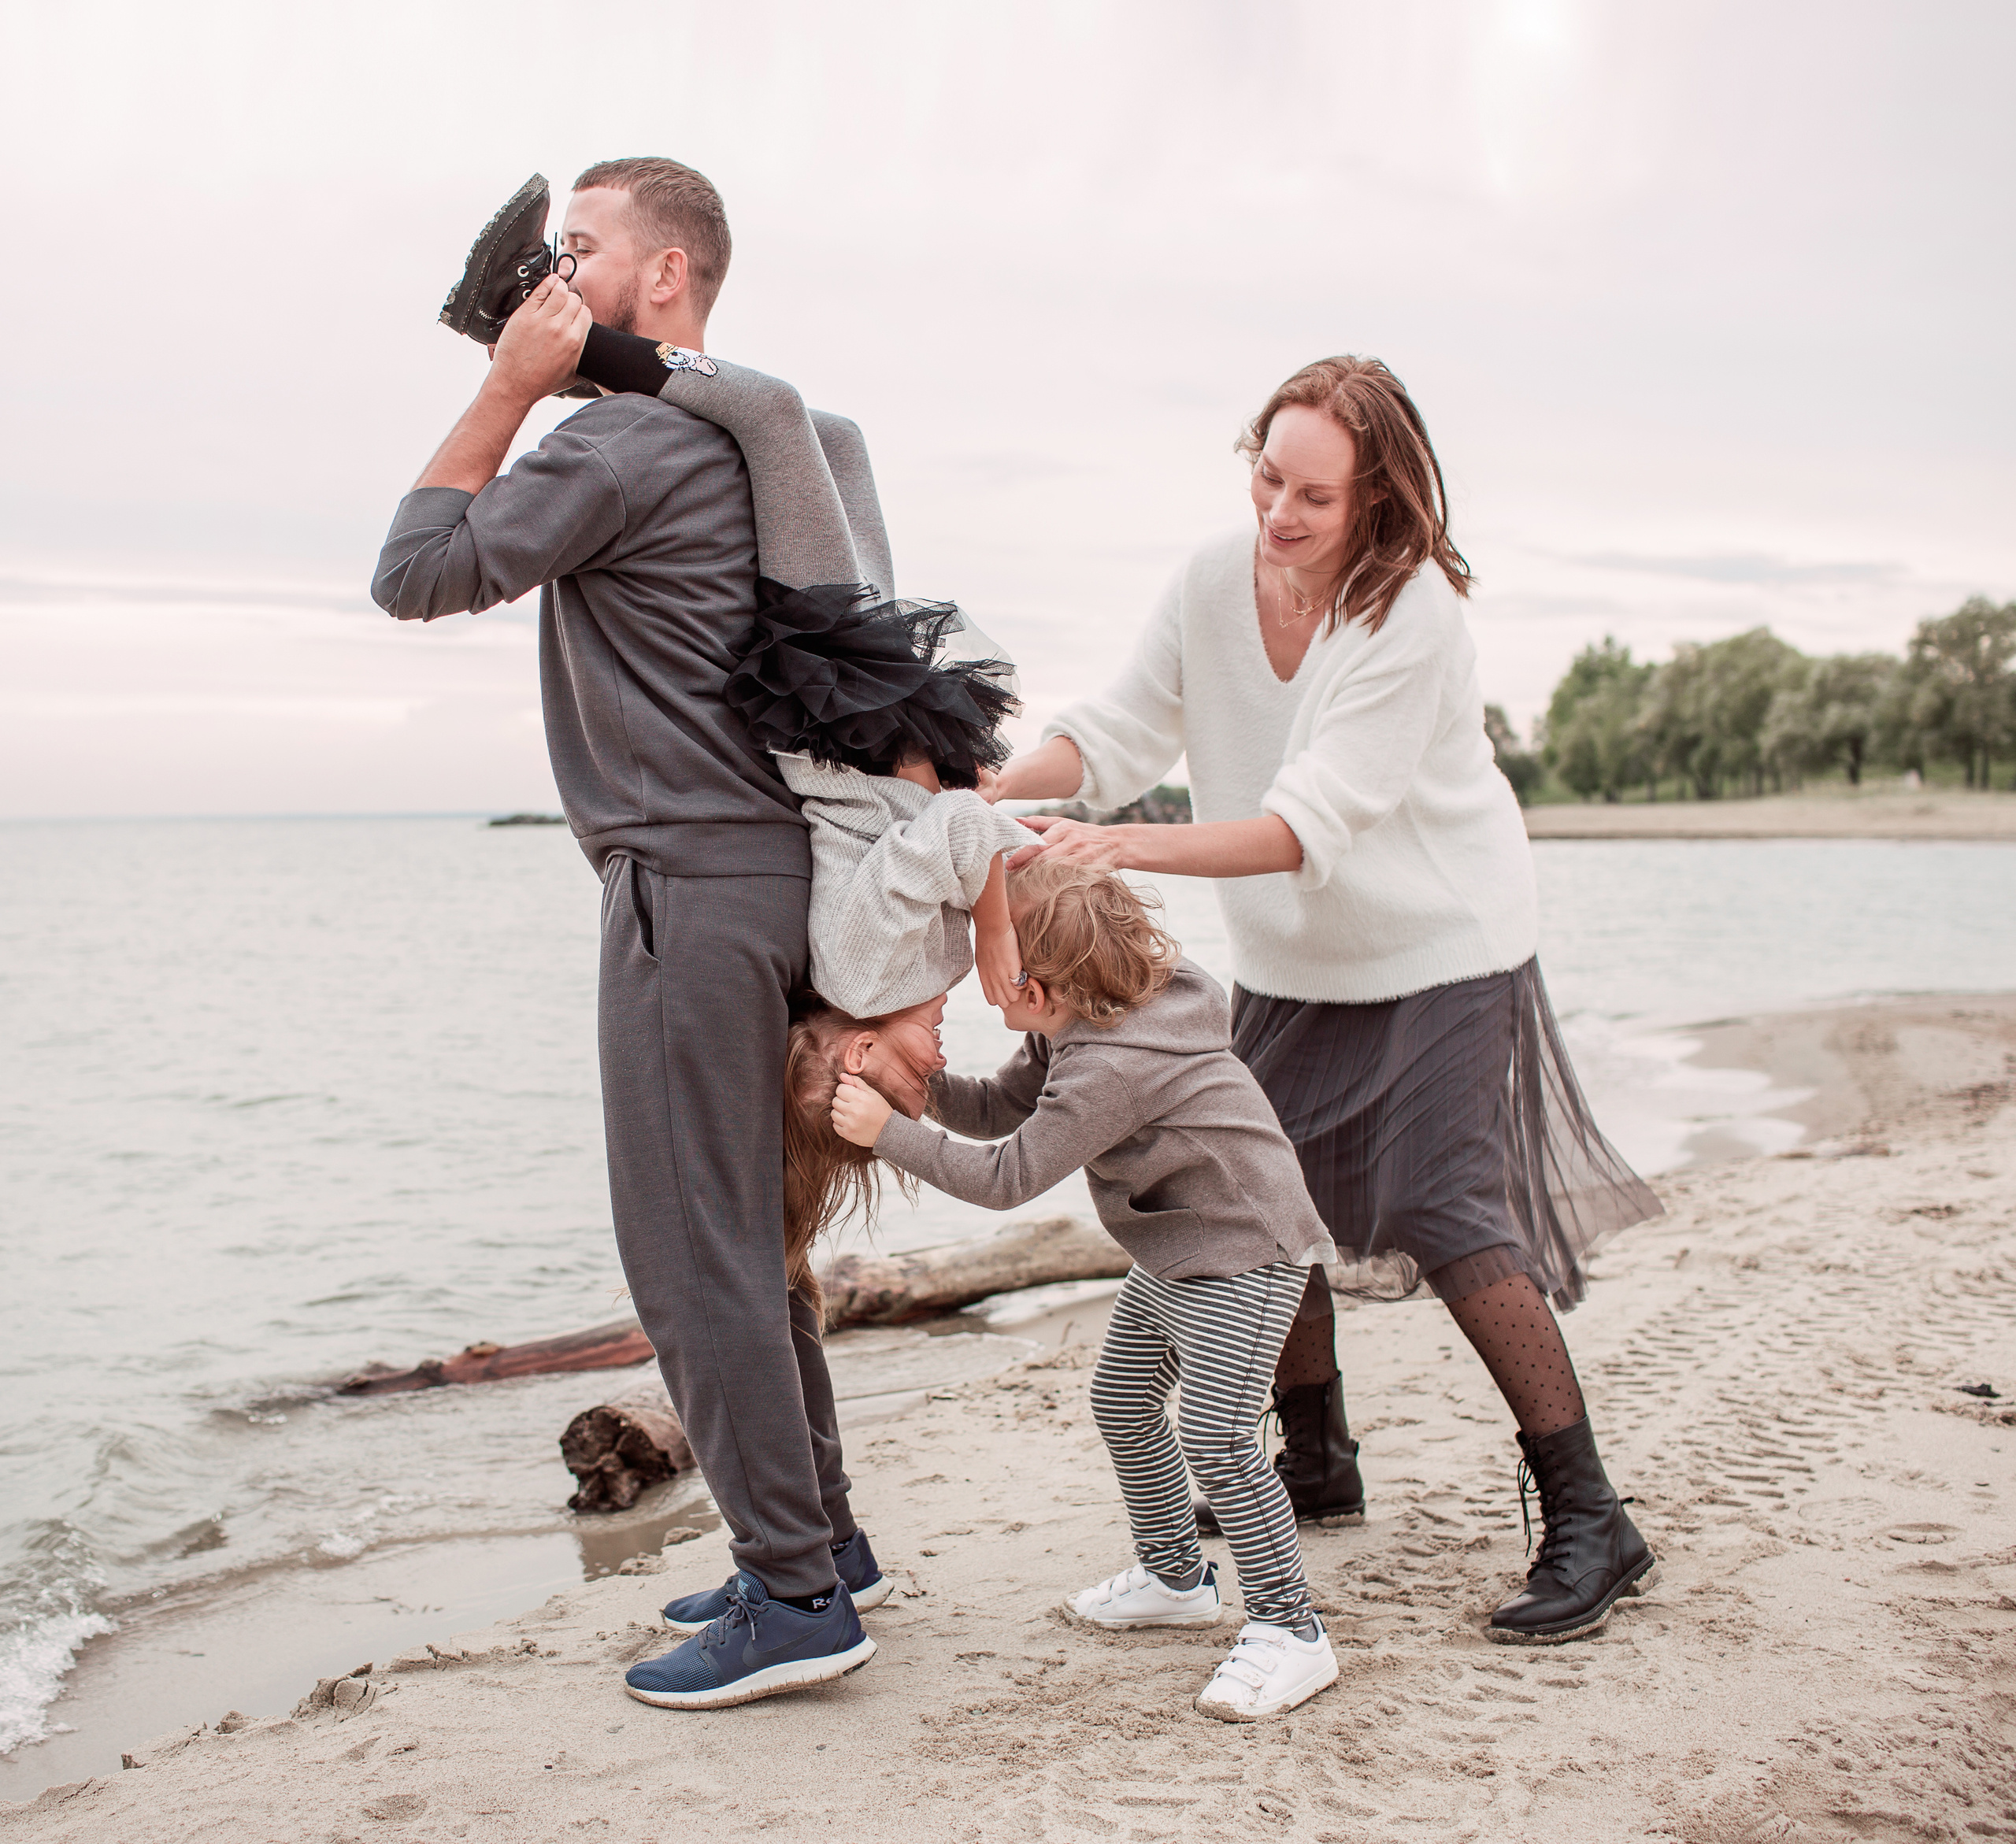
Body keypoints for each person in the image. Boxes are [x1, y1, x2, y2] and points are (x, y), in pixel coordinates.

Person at [988, 357, 1662, 1646]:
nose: (1279, 516)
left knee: (1441, 1206)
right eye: (1266, 480)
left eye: (1314, 496)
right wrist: (999, 789)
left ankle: (1591, 1516)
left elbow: (1306, 825)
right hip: (1297, 963)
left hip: (1446, 947)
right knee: (1247, 1194)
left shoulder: (1412, 620)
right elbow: (1122, 729)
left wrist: (1108, 848)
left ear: (1376, 504)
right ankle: (1318, 1460)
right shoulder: (1208, 580)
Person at [372, 160, 897, 1711]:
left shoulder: (615, 440)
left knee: (692, 1260)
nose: (556, 269)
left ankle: (797, 1595)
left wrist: (503, 382)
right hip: (778, 884)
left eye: (579, 251)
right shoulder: (764, 441)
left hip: (684, 890)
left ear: (663, 278)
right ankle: (822, 1543)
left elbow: (414, 569)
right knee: (756, 1238)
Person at [832, 857, 1343, 1720]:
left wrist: (888, 1133)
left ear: (1037, 984)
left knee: (1219, 1437)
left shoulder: (1113, 1064)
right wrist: (909, 1086)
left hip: (1244, 1252)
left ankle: (1293, 1630)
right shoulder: (1090, 1008)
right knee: (1122, 1397)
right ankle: (1179, 1577)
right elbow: (1001, 1107)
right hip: (1174, 1245)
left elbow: (1008, 1174)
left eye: (992, 959)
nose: (977, 973)